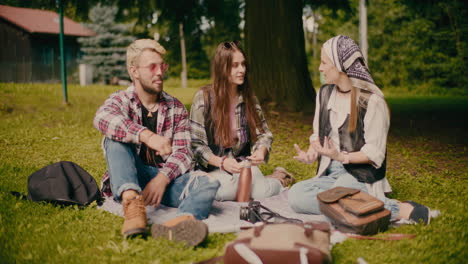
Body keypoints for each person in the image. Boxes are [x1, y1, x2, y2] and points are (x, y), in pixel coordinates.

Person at [288, 35, 431, 225]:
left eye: (324, 62)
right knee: (296, 196)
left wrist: (341, 156)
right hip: (331, 174)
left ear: (340, 66)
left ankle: (400, 209)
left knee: (342, 190)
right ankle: (356, 206)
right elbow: (319, 135)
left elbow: (374, 154)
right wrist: (312, 153)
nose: (320, 68)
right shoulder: (323, 94)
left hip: (360, 175)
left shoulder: (372, 102)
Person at [93, 39, 220, 245]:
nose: (160, 72)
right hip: (129, 173)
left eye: (162, 66)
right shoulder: (121, 100)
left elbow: (184, 154)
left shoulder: (176, 107)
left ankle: (180, 223)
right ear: (134, 71)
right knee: (114, 140)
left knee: (209, 183)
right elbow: (102, 118)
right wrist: (147, 136)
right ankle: (133, 208)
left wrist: (162, 178)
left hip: (163, 179)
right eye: (152, 66)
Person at [190, 41, 294, 202]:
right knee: (222, 193)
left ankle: (279, 177)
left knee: (262, 194)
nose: (242, 70)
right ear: (222, 68)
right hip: (213, 168)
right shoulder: (203, 98)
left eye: (243, 64)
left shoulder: (249, 99)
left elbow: (264, 135)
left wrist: (261, 151)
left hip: (243, 166)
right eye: (235, 65)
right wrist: (222, 163)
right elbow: (196, 145)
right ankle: (245, 186)